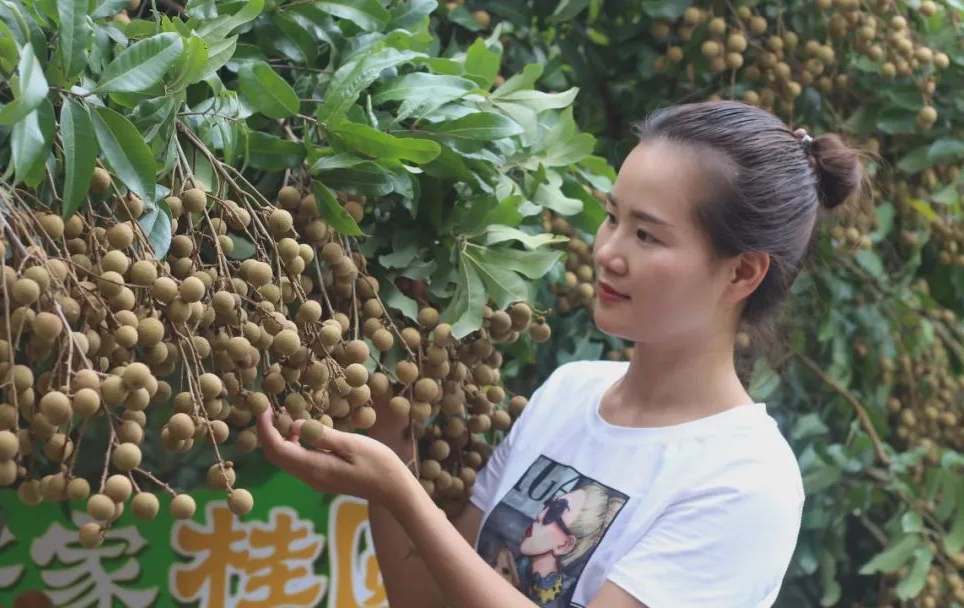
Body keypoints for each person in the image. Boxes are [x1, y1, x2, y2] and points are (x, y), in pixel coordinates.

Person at [256, 99, 868, 607]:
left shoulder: (745, 482)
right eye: (611, 217)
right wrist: (392, 447)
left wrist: (404, 494)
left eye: (648, 234)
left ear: (741, 275)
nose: (607, 251)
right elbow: (428, 599)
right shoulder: (570, 391)